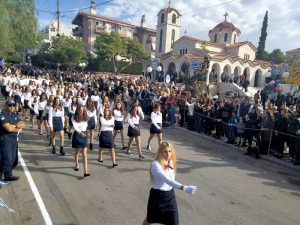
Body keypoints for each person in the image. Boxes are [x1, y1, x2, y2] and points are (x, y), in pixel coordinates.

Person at [142, 142, 197, 225]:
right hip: (157, 197)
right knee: (150, 220)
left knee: (174, 222)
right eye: (165, 151)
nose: (168, 154)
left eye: (169, 151)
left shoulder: (170, 162)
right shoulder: (155, 164)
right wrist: (184, 188)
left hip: (170, 197)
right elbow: (168, 180)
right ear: (160, 152)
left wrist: (170, 165)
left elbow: (172, 178)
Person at [0, 100, 25, 181]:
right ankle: (7, 175)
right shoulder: (2, 115)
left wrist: (15, 126)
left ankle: (5, 173)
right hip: (5, 140)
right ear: (6, 105)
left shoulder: (13, 115)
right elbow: (9, 129)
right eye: (10, 105)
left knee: (14, 160)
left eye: (13, 105)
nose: (12, 107)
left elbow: (22, 124)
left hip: (13, 140)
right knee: (8, 159)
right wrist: (17, 128)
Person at [71, 105, 90, 177]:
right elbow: (75, 127)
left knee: (84, 154)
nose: (82, 111)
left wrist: (85, 132)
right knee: (76, 152)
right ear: (78, 111)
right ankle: (77, 164)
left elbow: (86, 126)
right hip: (77, 135)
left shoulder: (85, 117)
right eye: (80, 110)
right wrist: (80, 132)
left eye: (83, 110)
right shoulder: (73, 117)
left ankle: (85, 172)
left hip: (84, 135)